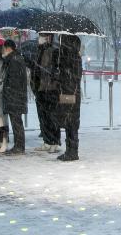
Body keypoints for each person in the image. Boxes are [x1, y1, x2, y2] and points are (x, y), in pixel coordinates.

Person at [54, 34, 83, 162]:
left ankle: (72, 151)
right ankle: (71, 150)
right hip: (72, 93)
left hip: (69, 93)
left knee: (70, 122)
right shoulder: (74, 56)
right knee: (70, 123)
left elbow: (70, 76)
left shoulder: (70, 58)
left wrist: (59, 72)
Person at [31, 34, 61, 152]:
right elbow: (37, 69)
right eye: (40, 36)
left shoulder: (54, 51)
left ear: (49, 37)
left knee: (52, 117)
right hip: (40, 89)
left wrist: (48, 72)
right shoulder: (39, 51)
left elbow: (55, 70)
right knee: (43, 117)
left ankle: (55, 141)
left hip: (51, 89)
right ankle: (47, 140)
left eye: (43, 36)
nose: (40, 38)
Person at [0, 39, 28, 155]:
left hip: (15, 97)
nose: (3, 50)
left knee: (17, 123)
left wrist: (9, 93)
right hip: (15, 97)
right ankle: (18, 145)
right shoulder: (14, 58)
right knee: (16, 122)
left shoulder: (15, 60)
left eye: (4, 48)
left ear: (8, 48)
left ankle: (19, 146)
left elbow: (15, 81)